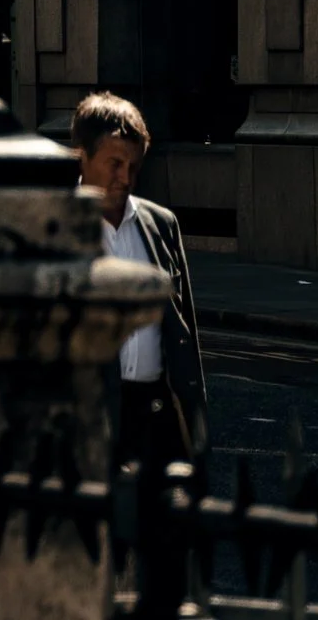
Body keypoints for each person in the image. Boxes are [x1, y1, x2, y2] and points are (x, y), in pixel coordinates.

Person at [75, 90, 208, 461]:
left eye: (134, 166)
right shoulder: (57, 229)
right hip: (93, 416)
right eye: (115, 163)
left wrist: (197, 428)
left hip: (159, 414)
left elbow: (187, 335)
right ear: (82, 157)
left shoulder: (161, 224)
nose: (126, 178)